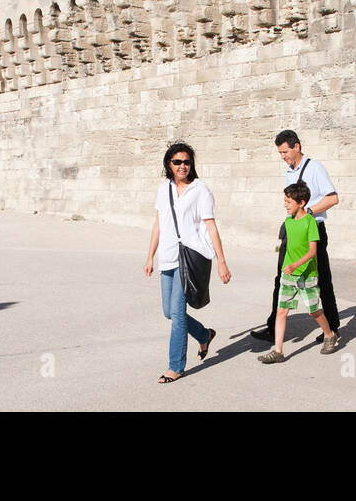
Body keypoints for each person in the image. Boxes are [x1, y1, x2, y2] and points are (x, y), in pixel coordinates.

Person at [144, 141, 232, 383]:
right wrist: (150, 256)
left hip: (190, 257)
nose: (182, 166)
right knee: (168, 312)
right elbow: (158, 224)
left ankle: (176, 366)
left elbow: (210, 226)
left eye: (186, 161)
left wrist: (221, 261)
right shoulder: (164, 189)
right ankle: (204, 335)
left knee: (178, 315)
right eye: (177, 162)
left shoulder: (200, 190)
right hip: (168, 257)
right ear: (169, 164)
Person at [250, 130, 341, 344]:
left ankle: (333, 327)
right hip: (292, 232)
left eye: (285, 152)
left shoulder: (315, 168)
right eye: (280, 153)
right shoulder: (290, 172)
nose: (283, 156)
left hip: (313, 229)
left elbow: (333, 198)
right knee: (281, 277)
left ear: (297, 147)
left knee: (322, 280)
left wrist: (308, 212)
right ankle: (274, 327)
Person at [257, 182, 340, 363]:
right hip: (288, 276)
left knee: (313, 311)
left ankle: (329, 334)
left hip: (306, 275)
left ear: (301, 203)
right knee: (281, 312)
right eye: (285, 201)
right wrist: (286, 267)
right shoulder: (288, 222)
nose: (285, 205)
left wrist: (295, 265)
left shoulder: (310, 222)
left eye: (288, 202)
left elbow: (312, 252)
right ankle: (278, 351)